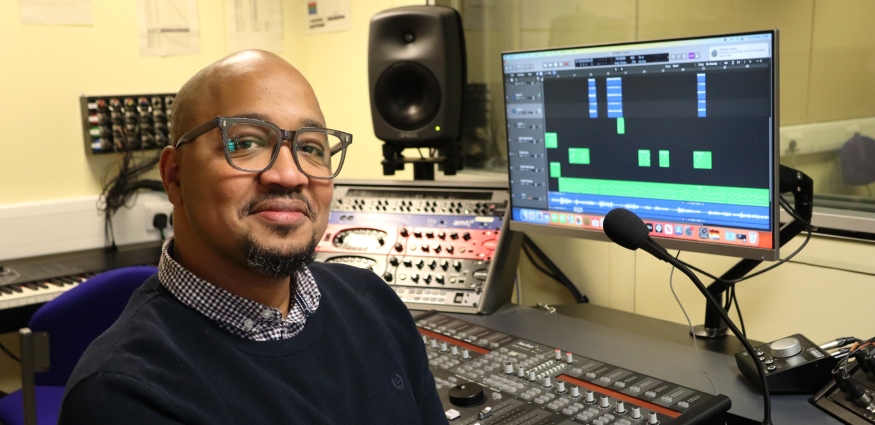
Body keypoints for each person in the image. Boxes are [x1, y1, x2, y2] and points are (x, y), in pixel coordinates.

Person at [59, 50, 445, 424]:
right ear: (175, 176)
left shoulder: (373, 301)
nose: (290, 175)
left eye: (311, 148)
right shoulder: (122, 396)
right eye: (246, 143)